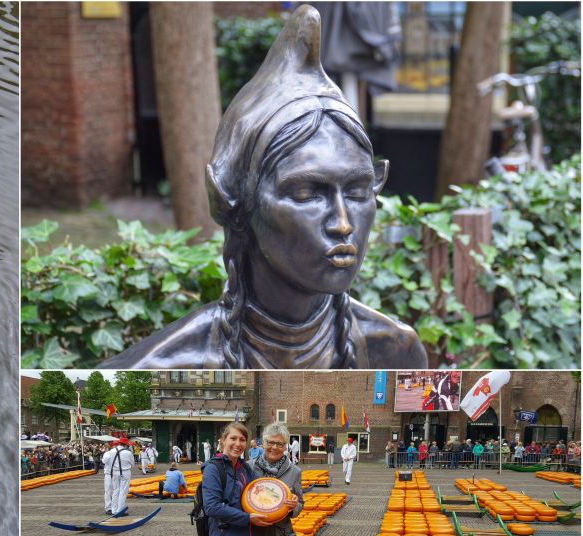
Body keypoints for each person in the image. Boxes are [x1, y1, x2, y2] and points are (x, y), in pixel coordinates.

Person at [98, 6, 426, 370]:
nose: (343, 224)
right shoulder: (157, 368)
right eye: (307, 194)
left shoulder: (395, 350)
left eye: (358, 192)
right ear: (234, 204)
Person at [103, 438, 134, 515]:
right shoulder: (128, 453)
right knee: (123, 491)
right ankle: (120, 510)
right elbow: (132, 464)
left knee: (115, 491)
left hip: (114, 472)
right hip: (125, 472)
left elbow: (107, 462)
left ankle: (113, 510)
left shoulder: (111, 451)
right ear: (126, 445)